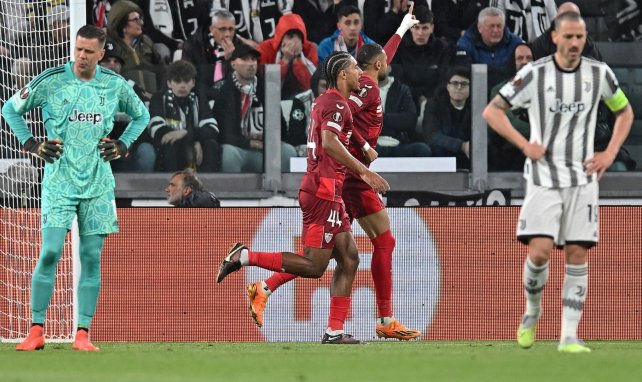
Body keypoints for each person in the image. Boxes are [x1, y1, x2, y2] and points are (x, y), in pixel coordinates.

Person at [243, 12, 423, 341]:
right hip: (352, 175)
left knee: (331, 256)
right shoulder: (366, 88)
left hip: (344, 174)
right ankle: (385, 318)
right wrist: (364, 152)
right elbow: (340, 120)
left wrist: (403, 27)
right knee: (382, 241)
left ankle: (269, 290)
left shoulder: (369, 77)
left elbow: (382, 56)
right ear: (377, 66)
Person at [482, 12, 634, 353]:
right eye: (569, 37)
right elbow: (493, 110)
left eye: (580, 37)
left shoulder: (599, 74)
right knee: (540, 252)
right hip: (544, 177)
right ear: (555, 38)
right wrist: (525, 145)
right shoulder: (535, 74)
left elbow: (624, 112)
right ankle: (532, 311)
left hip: (583, 178)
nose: (575, 43)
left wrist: (609, 153)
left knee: (578, 253)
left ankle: (568, 335)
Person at [216, 51, 390, 344]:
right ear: (343, 75)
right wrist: (365, 172)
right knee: (314, 266)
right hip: (324, 191)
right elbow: (330, 142)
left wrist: (361, 146)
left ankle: (334, 331)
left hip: (325, 189)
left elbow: (335, 136)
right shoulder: (336, 104)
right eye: (355, 68)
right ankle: (243, 256)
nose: (362, 73)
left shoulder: (327, 101)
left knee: (349, 259)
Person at [1, 25, 150, 351]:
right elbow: (10, 109)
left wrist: (123, 145)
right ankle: (36, 330)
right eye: (78, 49)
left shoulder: (113, 85)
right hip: (59, 181)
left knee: (91, 257)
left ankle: (82, 334)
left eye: (88, 51)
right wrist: (31, 143)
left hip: (98, 183)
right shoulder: (52, 80)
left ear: (101, 53)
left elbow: (142, 115)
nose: (81, 56)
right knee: (51, 251)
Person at [212, 44, 297, 173]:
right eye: (245, 59)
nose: (251, 63)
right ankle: (233, 193)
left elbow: (282, 129)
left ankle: (280, 193)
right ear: (233, 64)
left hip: (265, 149)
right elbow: (223, 134)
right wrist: (249, 144)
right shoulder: (224, 92)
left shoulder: (267, 88)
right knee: (228, 153)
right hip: (239, 149)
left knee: (288, 151)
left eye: (253, 59)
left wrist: (268, 143)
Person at [148, 60, 220, 172]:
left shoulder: (199, 98)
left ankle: (207, 183)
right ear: (169, 83)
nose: (182, 85)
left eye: (186, 81)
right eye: (177, 81)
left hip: (191, 142)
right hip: (169, 150)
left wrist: (186, 134)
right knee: (170, 142)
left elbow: (212, 128)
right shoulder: (158, 98)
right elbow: (156, 129)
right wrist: (191, 139)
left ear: (193, 82)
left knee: (211, 144)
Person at [455, 6, 523, 89]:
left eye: (499, 26)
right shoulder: (465, 43)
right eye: (491, 26)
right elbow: (463, 71)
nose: (496, 30)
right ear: (480, 28)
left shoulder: (516, 43)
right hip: (477, 91)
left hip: (508, 91)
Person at [422, 66, 472, 170]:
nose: (459, 87)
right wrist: (461, 145)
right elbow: (431, 135)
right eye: (454, 83)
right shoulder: (434, 103)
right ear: (448, 86)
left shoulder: (476, 104)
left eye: (464, 84)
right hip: (443, 151)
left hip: (470, 151)